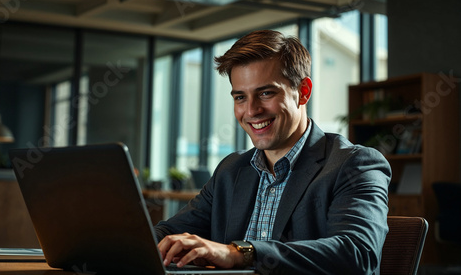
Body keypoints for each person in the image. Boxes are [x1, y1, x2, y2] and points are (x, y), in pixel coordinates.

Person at [155, 30, 391, 274]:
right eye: (240, 97)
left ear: (303, 91)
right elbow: (168, 232)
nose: (252, 111)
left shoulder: (355, 164)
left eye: (266, 93)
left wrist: (240, 253)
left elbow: (357, 254)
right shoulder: (231, 170)